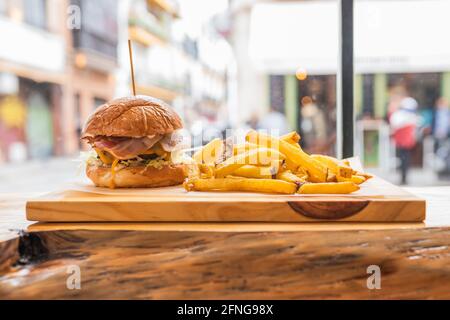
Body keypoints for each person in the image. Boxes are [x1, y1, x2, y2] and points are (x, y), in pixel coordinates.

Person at [389, 97, 420, 185]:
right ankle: (403, 177)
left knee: (405, 160)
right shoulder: (399, 115)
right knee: (403, 159)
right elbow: (395, 124)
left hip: (407, 142)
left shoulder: (410, 116)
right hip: (401, 142)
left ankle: (404, 177)